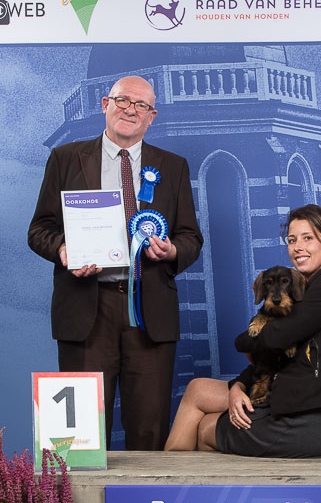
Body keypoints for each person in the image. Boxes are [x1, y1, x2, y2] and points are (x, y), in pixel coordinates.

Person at [28, 75, 203, 450]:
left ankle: (145, 492)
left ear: (152, 117)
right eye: (123, 100)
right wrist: (64, 250)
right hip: (85, 310)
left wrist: (172, 251)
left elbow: (191, 237)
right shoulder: (65, 158)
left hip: (149, 312)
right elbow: (39, 230)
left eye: (141, 105)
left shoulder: (173, 167)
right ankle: (75, 491)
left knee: (149, 432)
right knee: (75, 442)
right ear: (105, 104)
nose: (130, 110)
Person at [164, 204, 321, 457]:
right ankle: (166, 476)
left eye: (308, 238)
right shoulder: (304, 290)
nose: (298, 247)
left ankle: (174, 479)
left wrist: (243, 342)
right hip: (291, 403)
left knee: (207, 427)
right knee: (197, 389)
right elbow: (275, 355)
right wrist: (238, 387)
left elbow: (277, 337)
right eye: (292, 240)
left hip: (313, 421)